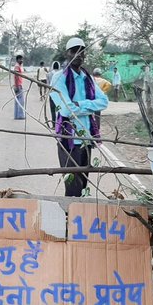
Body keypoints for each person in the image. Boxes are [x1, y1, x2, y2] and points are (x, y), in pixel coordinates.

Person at [50, 37, 109, 197]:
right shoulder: (59, 78)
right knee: (72, 188)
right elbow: (66, 111)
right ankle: (69, 219)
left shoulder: (87, 78)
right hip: (68, 140)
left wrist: (79, 104)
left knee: (83, 186)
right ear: (67, 54)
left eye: (81, 51)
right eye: (74, 51)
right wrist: (89, 105)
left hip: (87, 140)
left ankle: (79, 219)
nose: (78, 54)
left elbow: (104, 102)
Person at [12, 53, 26, 120]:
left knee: (17, 100)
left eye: (22, 59)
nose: (22, 60)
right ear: (17, 60)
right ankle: (20, 115)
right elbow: (16, 76)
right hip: (18, 85)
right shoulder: (17, 66)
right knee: (21, 101)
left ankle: (16, 115)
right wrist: (17, 86)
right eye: (20, 59)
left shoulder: (17, 66)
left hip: (18, 85)